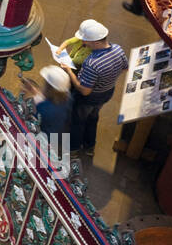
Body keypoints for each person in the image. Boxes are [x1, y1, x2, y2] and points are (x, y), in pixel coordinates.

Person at [61, 19, 129, 157]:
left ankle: (73, 149)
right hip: (107, 92)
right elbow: (125, 68)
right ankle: (89, 146)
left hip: (90, 98)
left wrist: (68, 71)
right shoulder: (118, 49)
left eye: (85, 41)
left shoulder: (92, 63)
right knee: (93, 118)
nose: (83, 43)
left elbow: (85, 91)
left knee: (78, 121)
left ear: (96, 42)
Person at [30, 66, 73, 144]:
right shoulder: (68, 98)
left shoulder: (42, 109)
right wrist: (36, 92)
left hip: (45, 140)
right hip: (60, 135)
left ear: (48, 87)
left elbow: (29, 120)